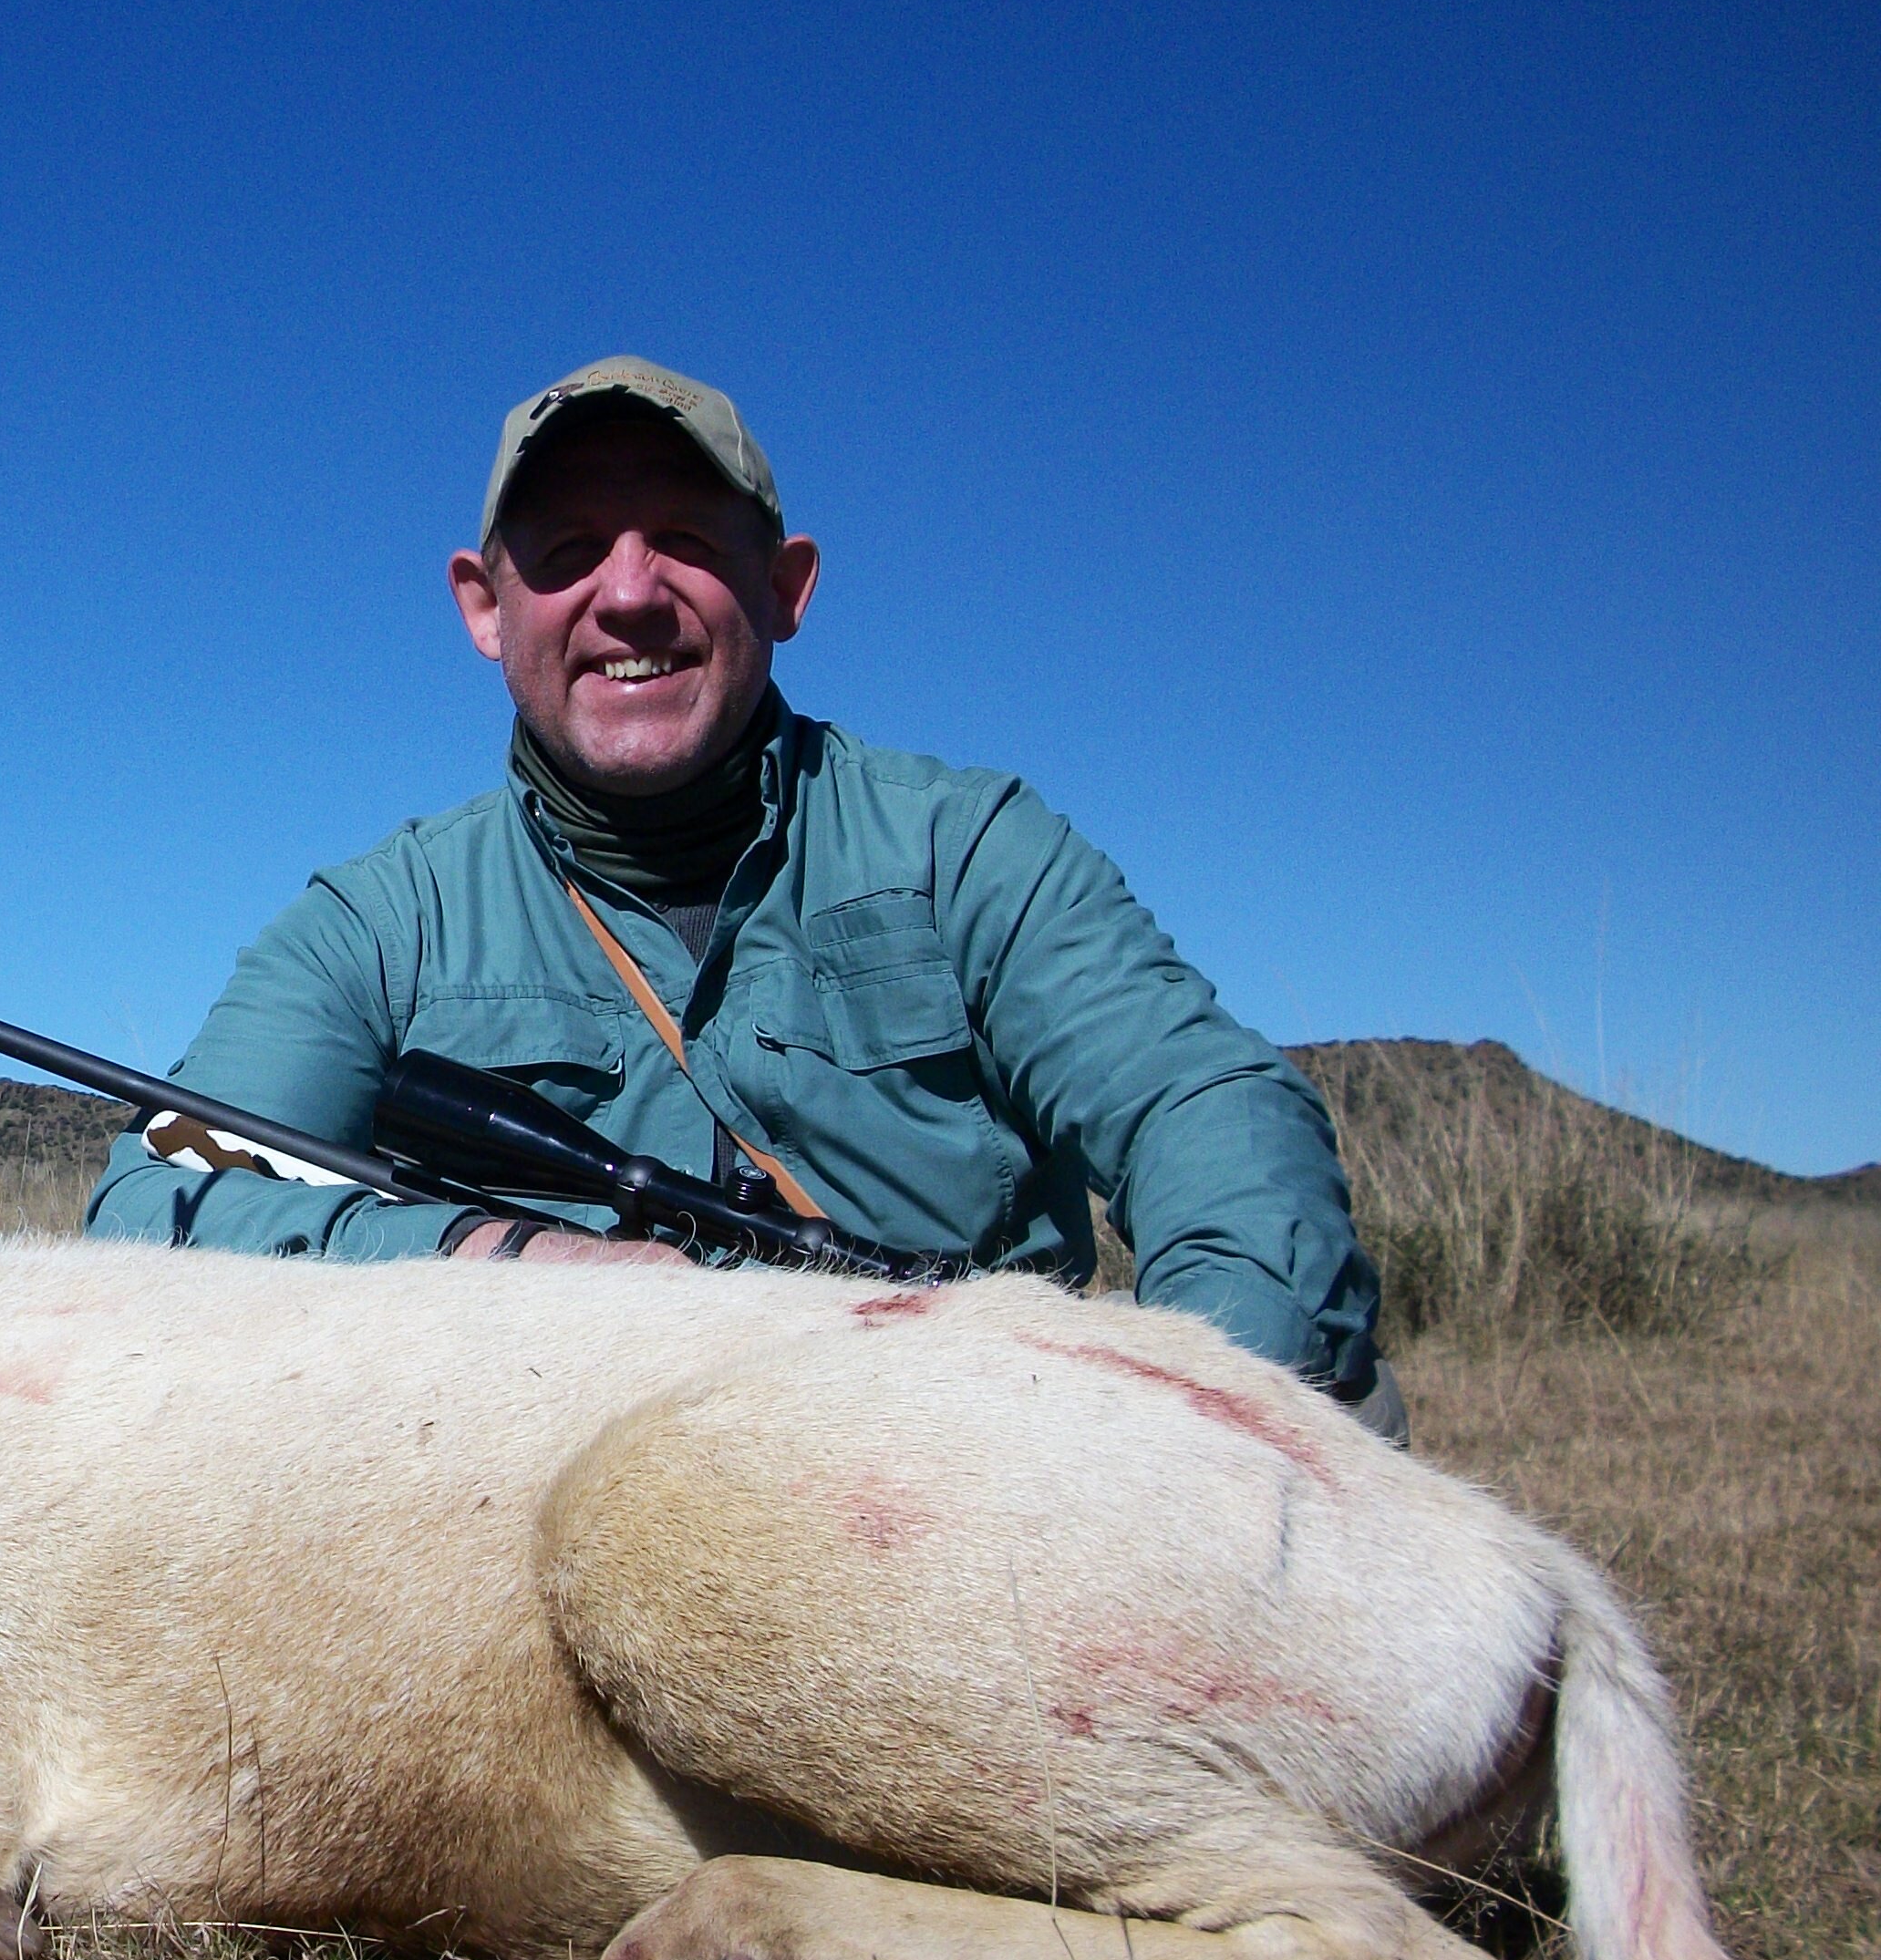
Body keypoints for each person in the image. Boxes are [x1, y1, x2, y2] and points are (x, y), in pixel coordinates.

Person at [85, 356, 1400, 1433]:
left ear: (785, 588)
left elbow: (1210, 1114)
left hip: (956, 1499)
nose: (631, 594)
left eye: (688, 544)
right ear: (486, 609)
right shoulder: (375, 925)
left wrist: (1182, 1433)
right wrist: (508, 1267)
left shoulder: (970, 849)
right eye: (571, 549)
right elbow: (153, 1211)